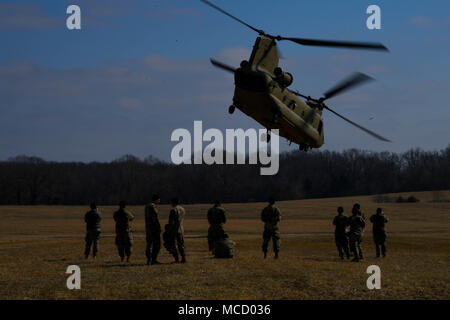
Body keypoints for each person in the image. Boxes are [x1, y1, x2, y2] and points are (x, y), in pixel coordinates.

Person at [167, 197, 186, 263]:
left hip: (174, 229)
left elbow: (171, 222)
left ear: (173, 202)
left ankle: (176, 259)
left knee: (173, 244)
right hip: (181, 228)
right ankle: (183, 258)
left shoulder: (173, 210)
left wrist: (168, 229)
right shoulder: (182, 209)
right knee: (181, 244)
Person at [145, 194, 162, 265]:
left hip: (148, 229)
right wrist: (159, 228)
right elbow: (155, 219)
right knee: (157, 244)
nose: (159, 201)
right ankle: (153, 259)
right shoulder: (153, 207)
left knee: (149, 244)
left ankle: (149, 259)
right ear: (156, 200)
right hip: (154, 229)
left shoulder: (147, 206)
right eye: (159, 200)